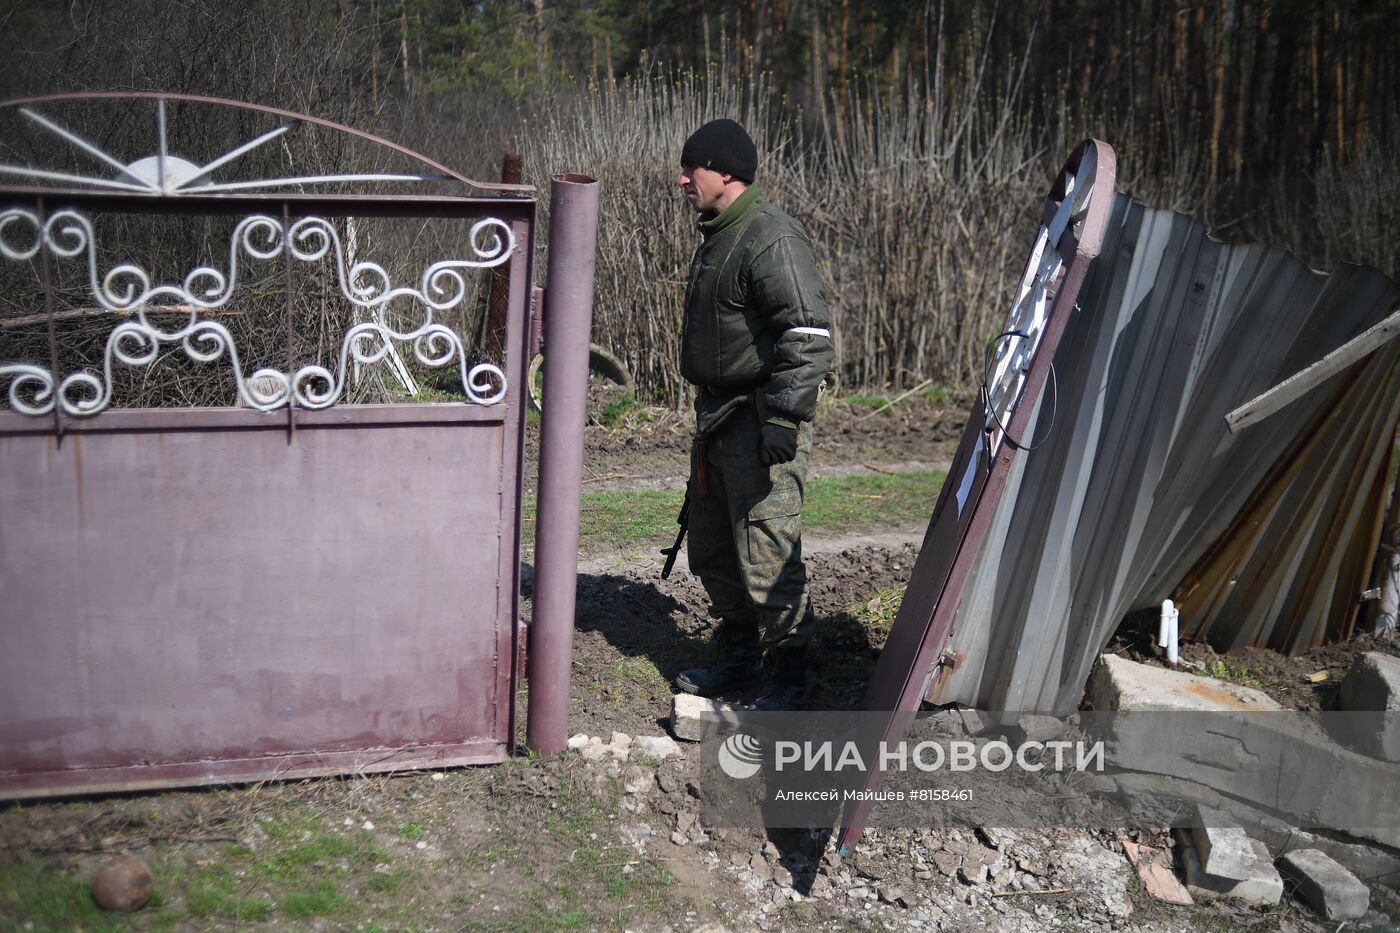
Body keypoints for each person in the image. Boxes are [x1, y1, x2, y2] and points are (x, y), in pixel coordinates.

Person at [671, 118, 833, 711]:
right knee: (712, 548)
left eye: (693, 167)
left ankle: (794, 680)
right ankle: (738, 659)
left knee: (766, 548)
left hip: (761, 419)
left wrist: (784, 419)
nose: (682, 178)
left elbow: (808, 334)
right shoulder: (720, 233)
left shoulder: (770, 237)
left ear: (727, 172)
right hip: (718, 419)